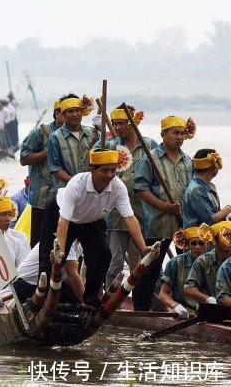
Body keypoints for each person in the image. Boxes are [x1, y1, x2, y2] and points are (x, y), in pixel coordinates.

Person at [38, 149, 152, 308]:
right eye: (104, 171)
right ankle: (43, 300)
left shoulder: (118, 186)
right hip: (61, 215)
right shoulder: (77, 184)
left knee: (103, 254)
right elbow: (63, 222)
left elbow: (130, 218)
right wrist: (60, 251)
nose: (110, 175)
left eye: (113, 170)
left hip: (92, 220)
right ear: (92, 171)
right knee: (51, 259)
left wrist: (143, 248)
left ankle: (90, 300)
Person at [132, 115, 194, 311]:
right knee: (150, 268)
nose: (179, 137)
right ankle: (141, 310)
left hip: (183, 225)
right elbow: (139, 189)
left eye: (182, 133)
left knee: (189, 266)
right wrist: (163, 206)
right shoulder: (151, 158)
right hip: (157, 223)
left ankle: (186, 306)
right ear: (163, 134)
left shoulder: (187, 161)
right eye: (175, 133)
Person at [102, 105, 157, 288]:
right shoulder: (110, 146)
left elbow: (158, 175)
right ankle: (109, 298)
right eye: (115, 124)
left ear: (132, 123)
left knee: (145, 261)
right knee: (114, 262)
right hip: (116, 215)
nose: (118, 127)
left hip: (144, 213)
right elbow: (94, 166)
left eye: (122, 123)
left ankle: (147, 299)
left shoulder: (149, 146)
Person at [20, 99, 64, 247]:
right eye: (67, 112)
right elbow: (23, 158)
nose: (74, 116)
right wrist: (46, 153)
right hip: (42, 198)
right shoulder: (39, 133)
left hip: (65, 198)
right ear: (57, 114)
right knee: (39, 243)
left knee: (63, 241)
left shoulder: (74, 135)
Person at [158, 225, 212, 318]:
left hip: (208, 313)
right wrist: (175, 306)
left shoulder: (214, 263)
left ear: (208, 244)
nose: (197, 247)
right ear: (187, 245)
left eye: (201, 243)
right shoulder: (175, 263)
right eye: (193, 243)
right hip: (183, 313)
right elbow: (163, 294)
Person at [47, 95, 95, 190]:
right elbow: (55, 168)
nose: (75, 114)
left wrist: (102, 132)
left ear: (82, 112)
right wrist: (75, 183)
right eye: (70, 111)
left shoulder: (92, 133)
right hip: (67, 190)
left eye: (77, 110)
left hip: (91, 189)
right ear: (64, 115)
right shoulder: (55, 137)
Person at [184, 221, 231, 307]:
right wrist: (208, 299)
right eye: (226, 236)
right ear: (215, 240)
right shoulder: (203, 261)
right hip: (209, 309)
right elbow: (189, 288)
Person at [183, 149, 231, 227]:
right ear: (212, 167)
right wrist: (227, 209)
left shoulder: (208, 185)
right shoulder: (196, 190)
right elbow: (208, 222)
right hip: (198, 233)